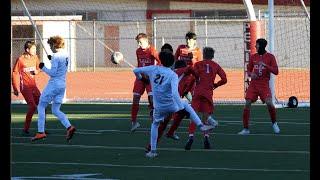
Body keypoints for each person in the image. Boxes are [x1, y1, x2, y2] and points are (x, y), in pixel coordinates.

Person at [133, 51, 214, 158]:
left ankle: (153, 151)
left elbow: (135, 70)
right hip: (171, 105)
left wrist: (141, 78)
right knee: (186, 104)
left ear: (160, 60)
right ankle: (201, 125)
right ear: (172, 63)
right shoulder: (172, 75)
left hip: (159, 107)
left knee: (155, 125)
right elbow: (175, 93)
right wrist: (180, 107)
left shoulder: (153, 69)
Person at [31, 35, 76, 142]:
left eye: (51, 45)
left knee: (41, 106)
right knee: (55, 110)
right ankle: (69, 127)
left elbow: (53, 73)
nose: (50, 48)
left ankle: (40, 132)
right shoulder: (65, 54)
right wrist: (52, 59)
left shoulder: (56, 56)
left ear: (54, 45)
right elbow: (60, 66)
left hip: (54, 84)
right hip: (62, 85)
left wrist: (43, 67)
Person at [185, 47, 227, 150]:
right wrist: (216, 85)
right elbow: (224, 79)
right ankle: (206, 138)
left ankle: (191, 136)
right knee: (205, 117)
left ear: (203, 55)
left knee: (193, 116)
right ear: (212, 56)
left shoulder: (198, 64)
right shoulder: (216, 65)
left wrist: (186, 89)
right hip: (208, 93)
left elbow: (193, 77)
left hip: (197, 92)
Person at [238, 38, 280, 135]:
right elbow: (248, 70)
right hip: (253, 84)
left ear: (261, 46)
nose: (255, 46)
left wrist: (265, 65)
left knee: (270, 103)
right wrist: (250, 74)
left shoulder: (270, 57)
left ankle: (274, 123)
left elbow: (276, 71)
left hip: (264, 84)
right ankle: (245, 129)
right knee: (247, 103)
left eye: (256, 45)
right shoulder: (253, 57)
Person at [130, 33, 161, 132]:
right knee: (135, 98)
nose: (139, 44)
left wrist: (153, 73)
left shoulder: (152, 50)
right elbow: (139, 64)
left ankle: (154, 120)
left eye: (140, 42)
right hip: (140, 78)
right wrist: (139, 75)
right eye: (138, 43)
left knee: (152, 99)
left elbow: (160, 62)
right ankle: (134, 122)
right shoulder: (138, 51)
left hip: (150, 79)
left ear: (146, 41)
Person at [12, 40, 41, 136]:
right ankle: (25, 129)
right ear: (27, 49)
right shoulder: (20, 60)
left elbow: (38, 68)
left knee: (42, 105)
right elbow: (15, 73)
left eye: (35, 48)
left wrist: (37, 71)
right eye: (33, 49)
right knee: (32, 106)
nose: (35, 50)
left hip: (34, 86)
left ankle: (41, 129)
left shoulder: (36, 57)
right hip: (25, 87)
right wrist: (16, 88)